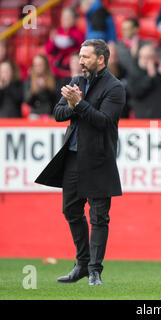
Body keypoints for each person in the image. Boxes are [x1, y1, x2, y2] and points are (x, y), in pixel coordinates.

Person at [35, 39, 126, 286]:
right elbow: (58, 114)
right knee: (71, 210)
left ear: (101, 59)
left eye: (86, 57)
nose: (81, 61)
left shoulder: (115, 87)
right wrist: (75, 105)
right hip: (73, 157)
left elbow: (104, 121)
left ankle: (95, 270)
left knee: (99, 217)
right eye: (80, 56)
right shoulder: (76, 81)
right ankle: (82, 265)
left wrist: (79, 104)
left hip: (98, 159)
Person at [127, 44, 161, 118]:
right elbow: (135, 93)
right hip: (143, 120)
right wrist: (149, 77)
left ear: (156, 58)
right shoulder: (134, 73)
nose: (145, 60)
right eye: (143, 57)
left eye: (149, 57)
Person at [45, 7, 84, 79]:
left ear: (74, 19)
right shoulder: (57, 32)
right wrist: (51, 40)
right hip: (57, 71)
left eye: (68, 17)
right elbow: (48, 50)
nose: (65, 20)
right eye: (63, 17)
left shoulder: (78, 33)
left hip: (71, 71)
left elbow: (82, 51)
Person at [24, 54, 57, 119]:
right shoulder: (29, 80)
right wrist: (34, 91)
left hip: (50, 114)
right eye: (36, 65)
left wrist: (46, 88)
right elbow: (27, 101)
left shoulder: (53, 79)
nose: (38, 68)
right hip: (35, 114)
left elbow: (56, 99)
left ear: (45, 66)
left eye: (40, 65)